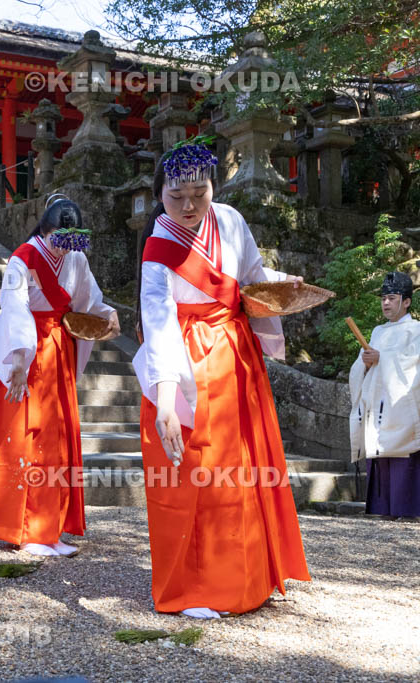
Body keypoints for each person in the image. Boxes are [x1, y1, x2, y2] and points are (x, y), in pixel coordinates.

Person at [134, 135, 311, 619]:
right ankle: (199, 587)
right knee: (197, 475)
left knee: (243, 471)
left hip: (235, 357)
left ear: (213, 186)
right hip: (187, 361)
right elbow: (160, 322)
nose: (189, 205)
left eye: (200, 193)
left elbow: (251, 275)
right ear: (159, 195)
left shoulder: (230, 219)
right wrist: (166, 400)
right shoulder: (157, 249)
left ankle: (250, 576)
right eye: (176, 196)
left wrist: (282, 284)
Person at [0, 198, 120, 557]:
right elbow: (15, 308)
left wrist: (107, 314)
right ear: (44, 229)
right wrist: (20, 362)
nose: (63, 246)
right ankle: (27, 530)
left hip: (59, 348)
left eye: (70, 239)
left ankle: (52, 527)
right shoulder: (22, 258)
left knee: (57, 439)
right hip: (28, 352)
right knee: (29, 438)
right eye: (59, 237)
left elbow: (88, 299)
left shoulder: (75, 258)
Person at [349, 271, 420, 518]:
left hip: (400, 411)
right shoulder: (378, 331)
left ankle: (406, 511)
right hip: (376, 408)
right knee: (379, 453)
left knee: (402, 457)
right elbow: (362, 367)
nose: (386, 303)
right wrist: (366, 362)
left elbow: (414, 366)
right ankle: (381, 510)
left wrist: (383, 359)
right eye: (383, 298)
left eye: (391, 297)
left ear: (407, 301)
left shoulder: (416, 330)